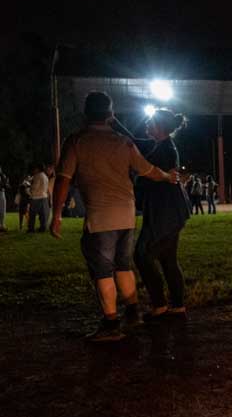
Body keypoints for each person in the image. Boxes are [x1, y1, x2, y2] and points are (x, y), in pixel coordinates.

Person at [50, 92, 179, 341]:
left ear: (86, 114)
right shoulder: (124, 142)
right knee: (123, 265)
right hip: (126, 216)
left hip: (100, 218)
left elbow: (63, 180)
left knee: (102, 270)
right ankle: (133, 312)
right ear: (110, 115)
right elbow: (147, 169)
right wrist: (166, 176)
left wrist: (57, 214)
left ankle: (110, 324)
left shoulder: (76, 141)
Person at [121, 108, 192, 322]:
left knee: (142, 255)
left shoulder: (164, 150)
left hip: (165, 212)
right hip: (171, 210)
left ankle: (160, 304)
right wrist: (114, 121)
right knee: (168, 258)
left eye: (151, 122)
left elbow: (145, 172)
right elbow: (135, 142)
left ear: (160, 128)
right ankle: (177, 306)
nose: (147, 124)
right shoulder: (160, 145)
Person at [27, 164, 50, 233]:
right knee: (43, 214)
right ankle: (43, 228)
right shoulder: (45, 176)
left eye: (35, 169)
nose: (33, 170)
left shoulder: (37, 176)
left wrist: (29, 188)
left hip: (36, 197)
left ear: (38, 169)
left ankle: (31, 229)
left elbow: (35, 187)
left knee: (32, 214)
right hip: (44, 196)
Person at [0, 166, 8, 232]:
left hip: (1, 192)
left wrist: (5, 182)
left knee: (2, 209)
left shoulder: (3, 176)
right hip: (1, 192)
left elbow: (6, 185)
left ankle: (2, 225)